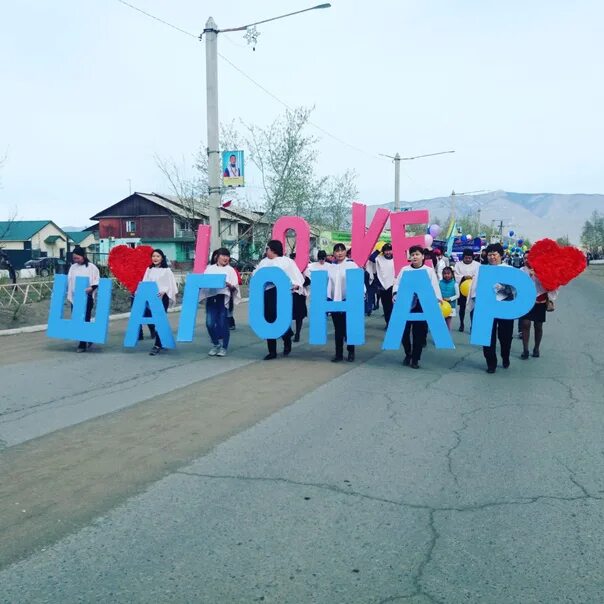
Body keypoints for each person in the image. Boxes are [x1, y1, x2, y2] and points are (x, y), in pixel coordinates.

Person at [253, 240, 305, 360]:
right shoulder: (263, 262)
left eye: (268, 249)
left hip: (281, 293)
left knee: (279, 318)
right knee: (268, 319)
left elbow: (296, 276)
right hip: (266, 293)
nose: (266, 251)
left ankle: (287, 337)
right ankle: (272, 351)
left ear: (273, 249)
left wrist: (296, 285)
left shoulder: (287, 261)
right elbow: (256, 275)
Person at [469, 243, 516, 373]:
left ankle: (505, 356)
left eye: (494, 254)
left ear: (500, 255)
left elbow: (514, 289)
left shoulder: (508, 269)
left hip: (505, 306)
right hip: (486, 307)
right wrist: (475, 301)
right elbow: (475, 288)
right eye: (489, 254)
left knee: (505, 336)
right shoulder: (481, 269)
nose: (491, 257)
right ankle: (491, 363)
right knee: (487, 336)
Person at [393, 245, 442, 369]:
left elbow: (434, 287)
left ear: (423, 256)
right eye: (413, 254)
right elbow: (397, 284)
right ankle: (408, 353)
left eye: (417, 254)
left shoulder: (428, 271)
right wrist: (395, 294)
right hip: (406, 303)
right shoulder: (405, 270)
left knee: (418, 333)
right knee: (404, 332)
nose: (415, 256)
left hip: (421, 305)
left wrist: (436, 301)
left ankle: (415, 358)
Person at [200, 248, 241, 357]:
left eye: (227, 256)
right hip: (211, 298)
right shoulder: (209, 269)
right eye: (223, 255)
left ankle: (224, 347)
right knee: (209, 323)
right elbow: (204, 283)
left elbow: (235, 288)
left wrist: (229, 285)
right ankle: (216, 344)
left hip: (223, 299)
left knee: (223, 324)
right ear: (216, 256)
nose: (225, 258)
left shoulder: (230, 270)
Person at [519, 259, 558, 360]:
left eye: (529, 257)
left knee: (538, 326)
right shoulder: (521, 270)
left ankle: (536, 348)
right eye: (525, 257)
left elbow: (550, 285)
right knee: (525, 324)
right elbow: (518, 285)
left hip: (540, 301)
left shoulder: (543, 270)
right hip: (526, 301)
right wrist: (529, 276)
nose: (527, 260)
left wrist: (539, 275)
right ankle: (525, 350)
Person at [142, 249, 178, 356]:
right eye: (153, 256)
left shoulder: (167, 271)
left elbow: (171, 285)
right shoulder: (149, 269)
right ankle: (162, 340)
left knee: (159, 321)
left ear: (162, 258)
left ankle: (157, 344)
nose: (155, 258)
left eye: (158, 256)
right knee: (151, 318)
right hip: (150, 298)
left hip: (162, 299)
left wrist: (164, 291)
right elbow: (145, 282)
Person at [328, 243, 359, 362]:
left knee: (348, 328)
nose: (339, 253)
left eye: (342, 250)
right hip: (335, 301)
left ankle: (351, 351)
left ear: (345, 252)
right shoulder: (331, 267)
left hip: (348, 300)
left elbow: (358, 281)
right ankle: (338, 354)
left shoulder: (352, 265)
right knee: (338, 329)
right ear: (334, 253)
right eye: (337, 251)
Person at [67, 246, 100, 352]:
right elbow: (69, 280)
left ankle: (82, 344)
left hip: (87, 297)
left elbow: (97, 280)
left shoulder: (92, 267)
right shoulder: (73, 267)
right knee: (76, 318)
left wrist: (91, 288)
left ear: (84, 256)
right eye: (74, 258)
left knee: (85, 318)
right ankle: (88, 337)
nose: (76, 260)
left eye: (78, 258)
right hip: (75, 297)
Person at [454, 248, 480, 332]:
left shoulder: (478, 265)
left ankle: (473, 325)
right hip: (462, 289)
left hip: (473, 288)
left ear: (472, 257)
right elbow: (456, 275)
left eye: (470, 258)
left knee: (473, 308)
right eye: (466, 258)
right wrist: (463, 277)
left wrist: (472, 278)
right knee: (462, 307)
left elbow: (479, 276)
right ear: (463, 257)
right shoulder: (458, 264)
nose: (468, 259)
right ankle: (461, 324)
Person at [369, 243, 395, 328]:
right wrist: (378, 250)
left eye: (390, 250)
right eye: (386, 250)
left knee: (394, 306)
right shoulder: (379, 258)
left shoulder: (396, 259)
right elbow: (371, 258)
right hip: (383, 286)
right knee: (386, 306)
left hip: (394, 286)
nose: (388, 252)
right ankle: (388, 323)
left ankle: (394, 323)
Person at [439, 266, 459, 331]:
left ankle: (448, 338)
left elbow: (458, 295)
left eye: (448, 273)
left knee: (448, 322)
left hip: (450, 306)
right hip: (441, 305)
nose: (446, 275)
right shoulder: (439, 283)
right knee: (441, 323)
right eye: (444, 273)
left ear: (452, 274)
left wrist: (450, 298)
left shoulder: (455, 284)